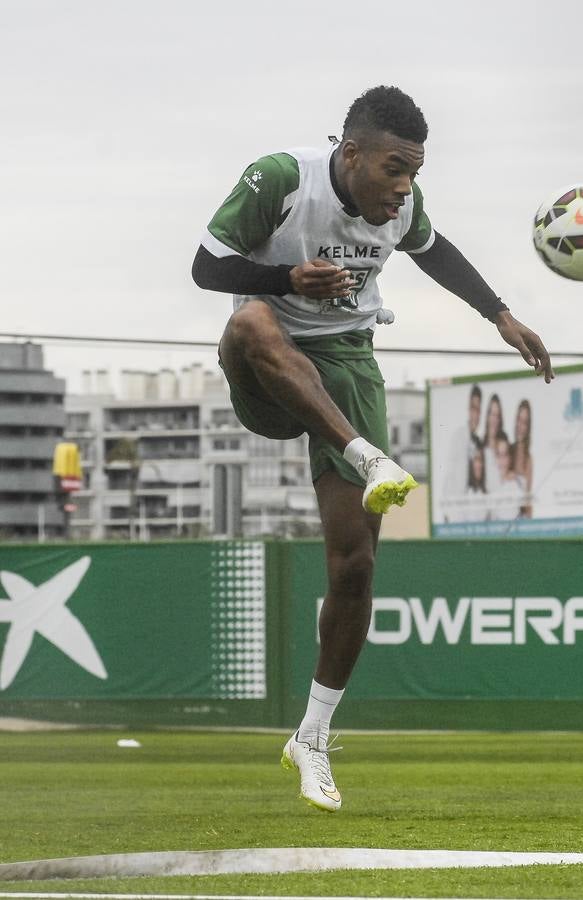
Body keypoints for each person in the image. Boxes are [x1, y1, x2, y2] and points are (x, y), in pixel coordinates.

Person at [192, 85, 554, 812]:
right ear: (351, 153)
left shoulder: (404, 208)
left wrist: (501, 316)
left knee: (355, 565)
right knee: (251, 323)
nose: (404, 187)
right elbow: (206, 267)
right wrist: (285, 278)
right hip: (269, 364)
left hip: (346, 364)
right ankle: (364, 457)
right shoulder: (282, 180)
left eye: (414, 172)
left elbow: (436, 252)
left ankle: (313, 739)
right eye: (394, 168)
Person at [511, 398, 533, 517]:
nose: (520, 426)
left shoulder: (528, 459)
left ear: (528, 427)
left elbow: (528, 498)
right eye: (519, 420)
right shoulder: (508, 451)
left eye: (525, 422)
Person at [482, 393, 504, 494]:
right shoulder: (480, 449)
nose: (494, 419)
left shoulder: (504, 450)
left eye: (497, 415)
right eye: (492, 414)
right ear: (487, 416)